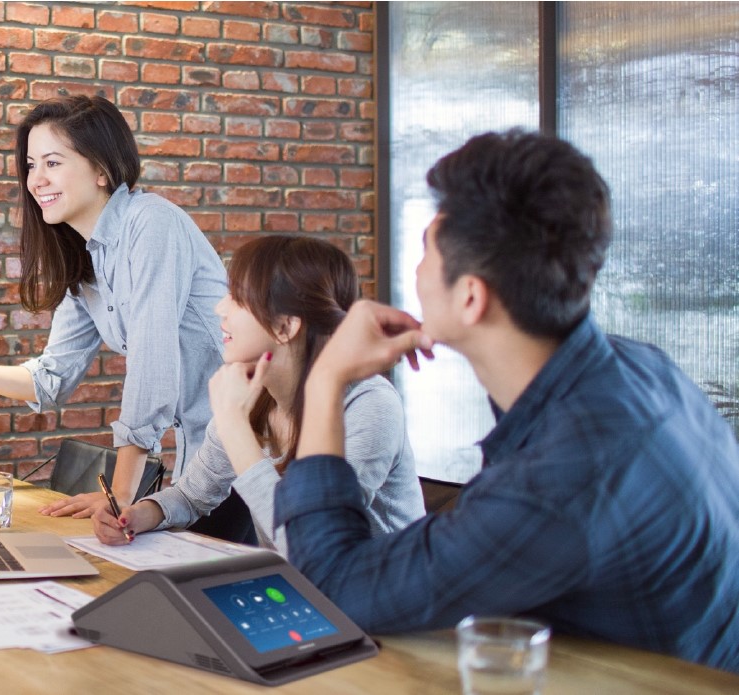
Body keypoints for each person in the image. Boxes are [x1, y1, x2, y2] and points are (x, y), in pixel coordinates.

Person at [278, 129, 739, 672]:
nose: (418, 270)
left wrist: (326, 378)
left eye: (426, 249)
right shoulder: (642, 369)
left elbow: (330, 589)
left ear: (471, 296)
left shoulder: (561, 479)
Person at [0, 95, 226, 516]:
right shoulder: (87, 259)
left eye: (52, 163)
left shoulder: (151, 223)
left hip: (248, 454)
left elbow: (153, 365)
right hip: (198, 467)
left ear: (102, 169)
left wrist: (120, 495)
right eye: (30, 165)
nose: (36, 180)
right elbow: (51, 379)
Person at [91, 235, 424, 550]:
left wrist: (235, 428)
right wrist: (141, 514)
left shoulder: (369, 407)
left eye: (237, 298)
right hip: (298, 594)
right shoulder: (255, 394)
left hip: (368, 606)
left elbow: (306, 544)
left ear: (285, 327)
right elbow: (192, 496)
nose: (220, 308)